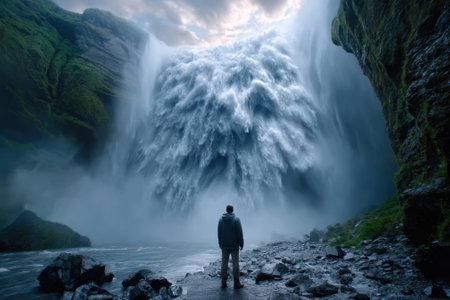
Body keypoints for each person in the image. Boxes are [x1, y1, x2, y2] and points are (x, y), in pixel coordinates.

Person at [217, 204, 244, 289]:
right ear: (232, 210)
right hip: (234, 245)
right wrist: (241, 243)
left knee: (224, 263)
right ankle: (236, 283)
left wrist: (220, 243)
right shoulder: (236, 219)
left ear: (226, 210)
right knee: (235, 263)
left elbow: (219, 233)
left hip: (224, 245)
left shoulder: (221, 220)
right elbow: (240, 232)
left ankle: (223, 282)